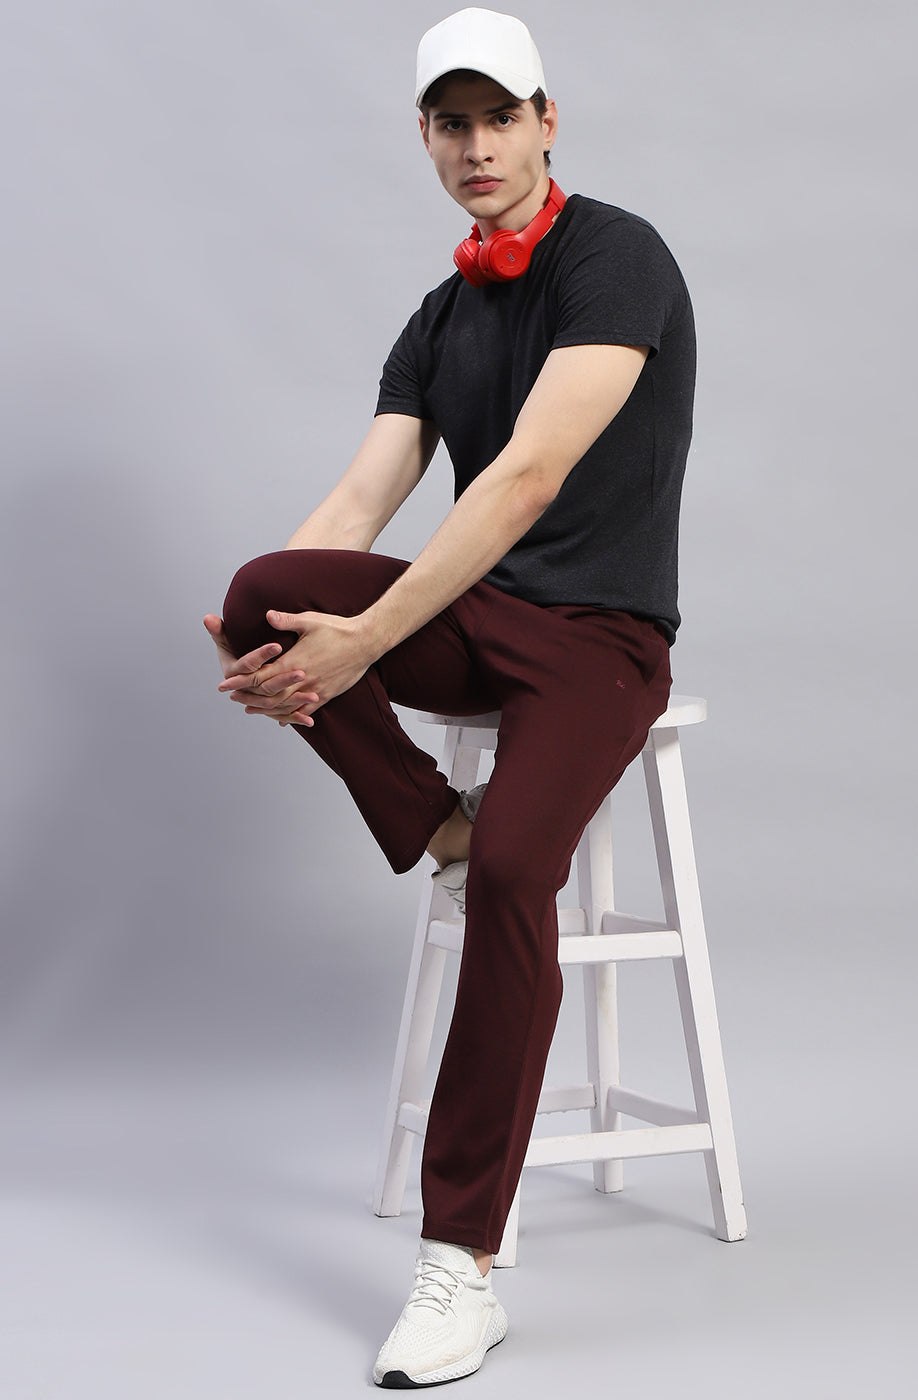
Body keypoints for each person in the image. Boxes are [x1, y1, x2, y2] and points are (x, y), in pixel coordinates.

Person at [204, 7, 696, 1388]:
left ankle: (459, 1265)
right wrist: (272, 639)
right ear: (424, 139)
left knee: (521, 876)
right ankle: (437, 823)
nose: (478, 146)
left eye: (500, 119)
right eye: (451, 124)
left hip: (600, 637)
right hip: (478, 617)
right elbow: (361, 503)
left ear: (548, 122)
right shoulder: (440, 314)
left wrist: (361, 643)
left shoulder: (616, 257)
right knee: (261, 588)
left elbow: (526, 478)